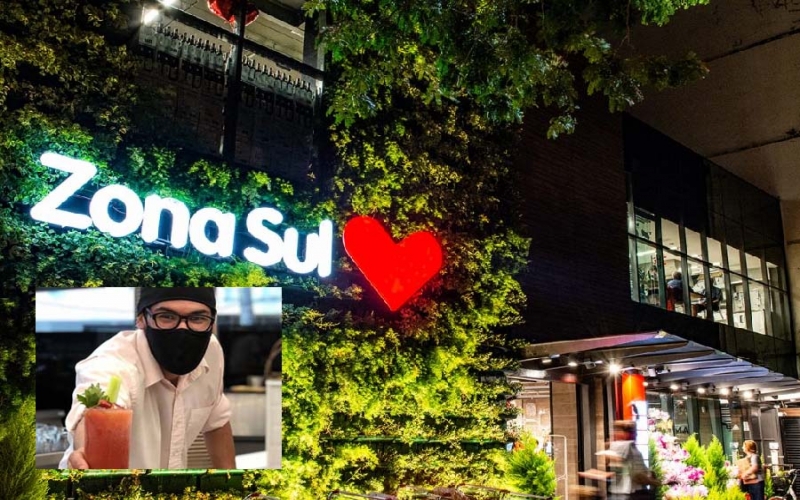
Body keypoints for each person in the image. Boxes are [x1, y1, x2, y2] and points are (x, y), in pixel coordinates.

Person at [59, 287, 235, 469]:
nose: (183, 328)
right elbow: (97, 408)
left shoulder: (211, 351)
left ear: (211, 322)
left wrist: (235, 489)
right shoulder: (113, 363)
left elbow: (217, 421)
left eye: (197, 318)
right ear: (141, 319)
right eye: (166, 316)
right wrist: (86, 449)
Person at [607, 420, 659, 500]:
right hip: (631, 492)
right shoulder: (630, 447)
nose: (614, 433)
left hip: (626, 492)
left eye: (617, 430)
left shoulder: (627, 446)